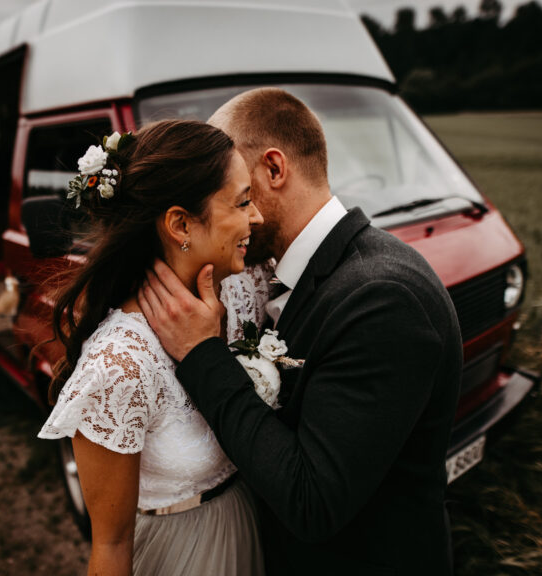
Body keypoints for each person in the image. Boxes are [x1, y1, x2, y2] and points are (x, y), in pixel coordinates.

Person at [138, 88, 463, 575]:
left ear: (273, 169)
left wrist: (203, 354)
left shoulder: (382, 300)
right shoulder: (296, 274)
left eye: (231, 185)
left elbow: (312, 502)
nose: (226, 204)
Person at [37, 119, 268, 576]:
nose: (257, 217)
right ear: (180, 223)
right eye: (243, 203)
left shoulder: (247, 290)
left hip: (258, 525)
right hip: (184, 556)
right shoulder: (119, 366)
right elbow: (112, 544)